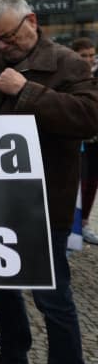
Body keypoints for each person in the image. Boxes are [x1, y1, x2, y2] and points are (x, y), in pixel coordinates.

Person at [0, 0, 98, 364]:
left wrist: (25, 91)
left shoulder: (69, 62)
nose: (1, 47)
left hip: (46, 200)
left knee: (51, 296)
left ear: (32, 21)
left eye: (8, 38)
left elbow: (88, 119)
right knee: (0, 286)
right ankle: (14, 357)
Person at [72, 37, 98, 245]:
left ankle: (86, 223)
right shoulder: (70, 74)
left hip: (95, 139)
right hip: (79, 140)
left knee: (92, 183)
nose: (88, 59)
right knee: (82, 181)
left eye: (91, 55)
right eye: (84, 55)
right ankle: (75, 227)